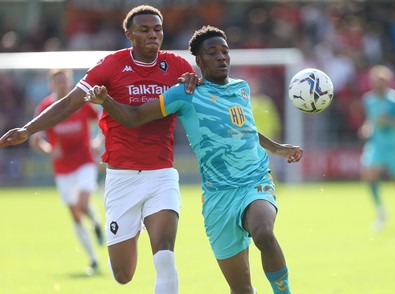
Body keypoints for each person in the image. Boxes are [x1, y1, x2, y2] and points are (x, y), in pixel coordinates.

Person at [85, 25, 303, 294]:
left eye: (225, 51)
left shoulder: (242, 89)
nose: (221, 57)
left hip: (254, 181)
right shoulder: (184, 93)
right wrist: (106, 101)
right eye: (212, 53)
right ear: (199, 62)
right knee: (242, 289)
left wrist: (278, 148)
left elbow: (245, 128)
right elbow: (136, 117)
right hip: (218, 196)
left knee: (263, 232)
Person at [0, 5, 199, 294]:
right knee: (123, 275)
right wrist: (28, 129)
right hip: (121, 179)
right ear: (128, 34)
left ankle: (152, 224)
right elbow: (69, 103)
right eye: (144, 30)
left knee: (165, 254)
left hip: (161, 175)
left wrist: (198, 84)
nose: (153, 34)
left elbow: (206, 104)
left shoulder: (178, 66)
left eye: (158, 29)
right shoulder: (110, 66)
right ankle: (136, 226)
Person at [29, 68, 104, 274]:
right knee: (75, 213)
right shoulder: (46, 106)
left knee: (81, 203)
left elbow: (102, 120)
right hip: (63, 169)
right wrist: (50, 150)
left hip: (84, 162)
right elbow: (35, 138)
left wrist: (98, 141)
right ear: (51, 84)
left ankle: (96, 222)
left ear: (71, 82)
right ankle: (93, 259)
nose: (62, 84)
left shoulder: (80, 102)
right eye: (58, 81)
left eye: (65, 80)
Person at [358, 65, 395, 232]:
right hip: (376, 144)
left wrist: (388, 121)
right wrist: (366, 127)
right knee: (369, 173)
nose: (378, 84)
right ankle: (381, 212)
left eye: (381, 81)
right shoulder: (369, 99)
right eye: (375, 81)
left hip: (394, 145)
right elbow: (370, 119)